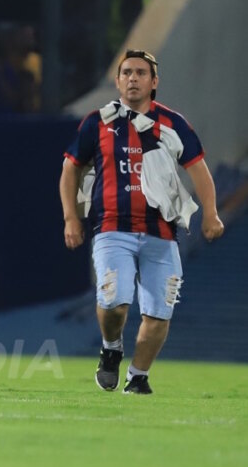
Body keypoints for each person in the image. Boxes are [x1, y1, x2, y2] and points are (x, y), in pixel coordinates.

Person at [60, 50, 224, 395]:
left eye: (140, 72)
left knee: (159, 313)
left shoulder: (174, 124)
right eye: (126, 72)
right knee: (114, 303)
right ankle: (111, 348)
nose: (133, 78)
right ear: (118, 81)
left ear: (154, 82)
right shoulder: (97, 122)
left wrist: (210, 213)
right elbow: (70, 168)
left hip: (161, 234)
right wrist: (71, 217)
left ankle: (137, 376)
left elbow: (199, 171)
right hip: (111, 230)